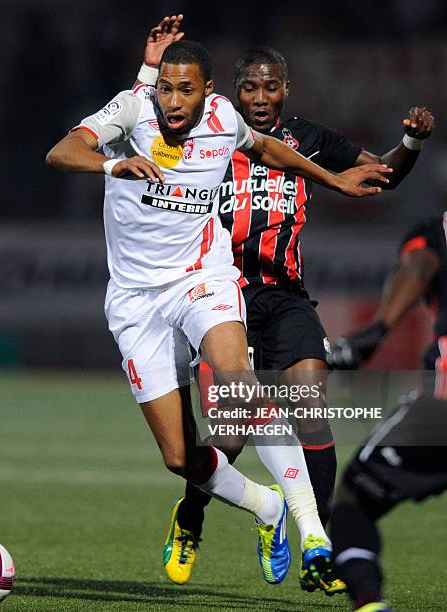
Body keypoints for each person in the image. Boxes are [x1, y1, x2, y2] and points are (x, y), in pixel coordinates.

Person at [46, 37, 390, 591]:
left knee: (242, 389)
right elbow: (60, 153)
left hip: (203, 279)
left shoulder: (224, 119)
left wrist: (333, 180)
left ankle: (312, 532)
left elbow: (268, 149)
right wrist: (114, 165)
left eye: (186, 90)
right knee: (182, 458)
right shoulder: (131, 110)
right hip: (136, 300)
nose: (174, 101)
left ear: (208, 92)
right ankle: (266, 507)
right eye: (166, 89)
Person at [135, 15, 434, 591]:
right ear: (233, 89)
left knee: (310, 408)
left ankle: (320, 549)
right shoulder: (209, 129)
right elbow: (149, 119)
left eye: (271, 87)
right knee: (230, 432)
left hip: (289, 296)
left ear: (286, 90)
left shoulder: (311, 139)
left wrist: (412, 143)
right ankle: (191, 516)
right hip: (222, 293)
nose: (260, 97)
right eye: (249, 86)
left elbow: (380, 176)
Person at [329, 213, 447, 611]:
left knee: (353, 498)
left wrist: (378, 329)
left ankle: (368, 598)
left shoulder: (436, 233)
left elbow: (420, 262)